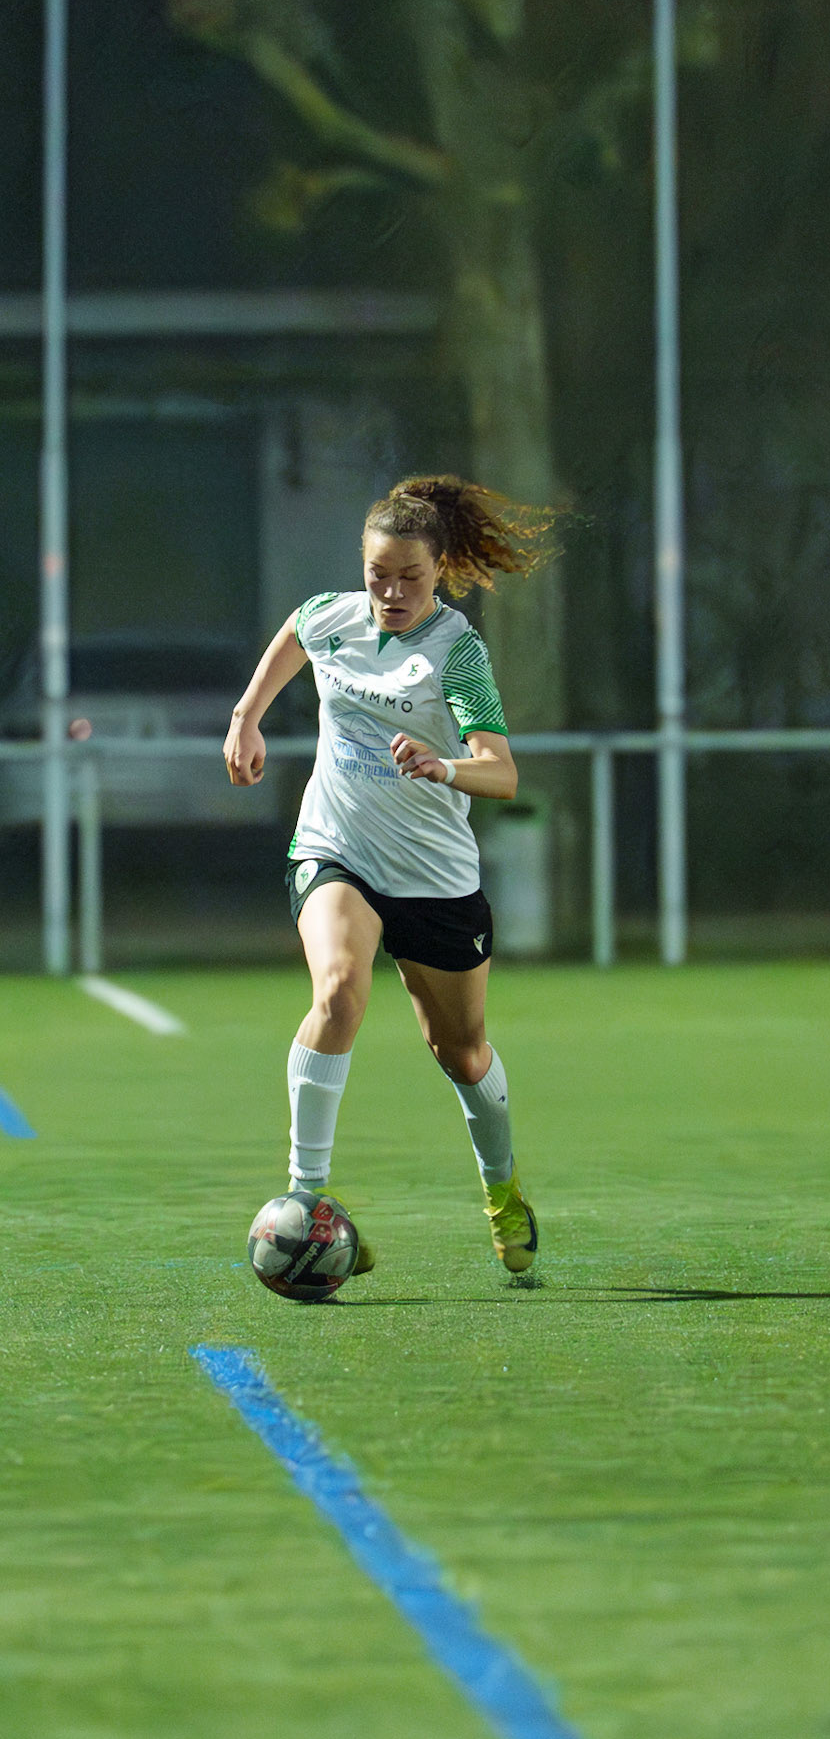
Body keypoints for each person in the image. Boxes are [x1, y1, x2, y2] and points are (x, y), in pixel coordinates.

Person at [224, 474, 548, 1283]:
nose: (392, 591)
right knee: (337, 990)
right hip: (337, 850)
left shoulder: (457, 651)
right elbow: (297, 633)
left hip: (434, 879)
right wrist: (246, 715)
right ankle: (305, 1202)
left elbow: (502, 776)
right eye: (379, 575)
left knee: (462, 1052)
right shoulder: (335, 614)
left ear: (438, 570)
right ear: (361, 566)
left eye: (410, 577)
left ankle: (502, 1192)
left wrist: (445, 768)